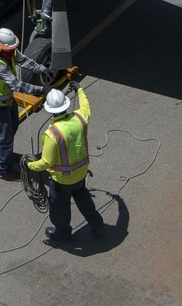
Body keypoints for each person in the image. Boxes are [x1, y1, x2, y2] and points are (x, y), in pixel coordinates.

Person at [26, 83, 106, 243]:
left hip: (62, 180)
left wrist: (30, 165)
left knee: (59, 209)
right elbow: (86, 105)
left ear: (49, 110)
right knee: (84, 199)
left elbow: (46, 162)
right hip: (81, 173)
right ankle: (98, 226)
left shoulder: (52, 134)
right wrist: (80, 89)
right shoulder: (80, 118)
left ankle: (63, 235)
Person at [0, 28, 46, 181]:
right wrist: (40, 89)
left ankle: (1, 150)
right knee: (6, 134)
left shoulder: (7, 52)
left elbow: (23, 60)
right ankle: (5, 169)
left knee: (14, 124)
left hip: (6, 97)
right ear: (1, 48)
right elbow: (16, 84)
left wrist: (42, 69)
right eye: (10, 49)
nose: (13, 51)